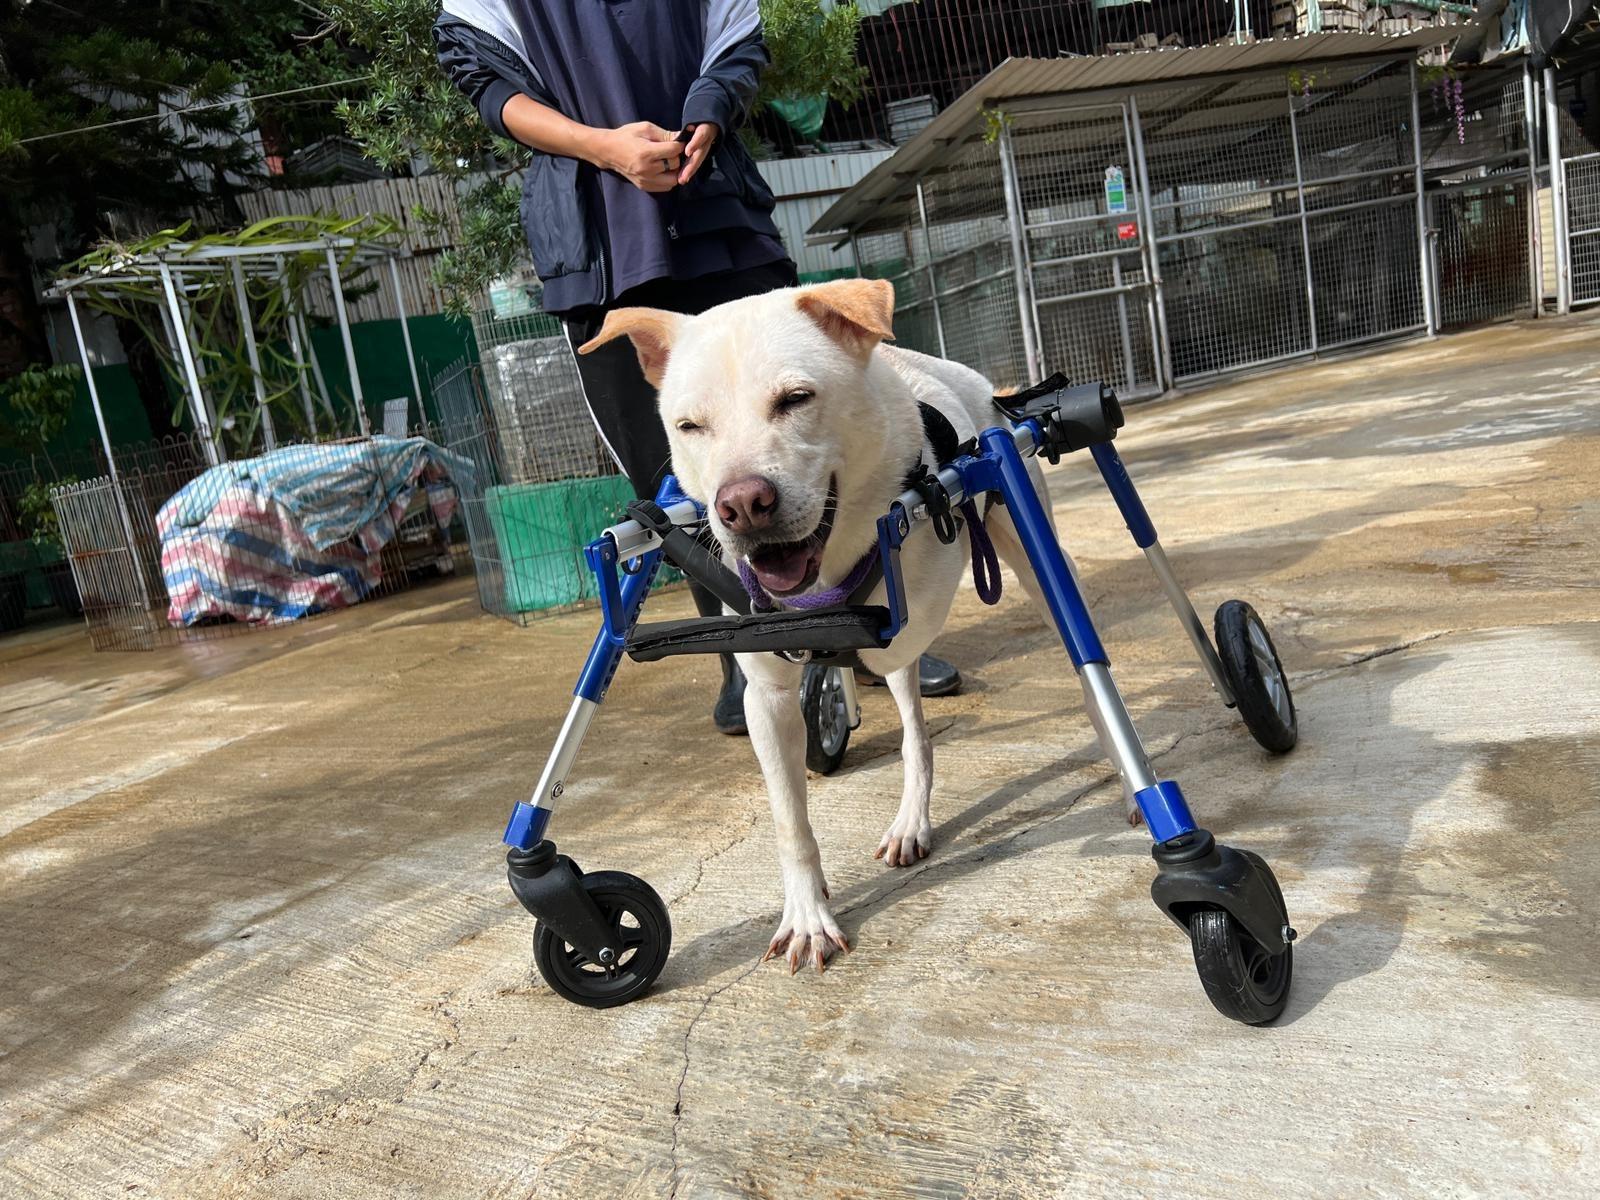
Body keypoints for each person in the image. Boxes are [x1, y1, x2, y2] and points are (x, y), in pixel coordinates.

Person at [433, 0, 961, 733]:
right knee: (678, 479)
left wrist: (705, 120)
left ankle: (884, 632)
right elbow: (487, 84)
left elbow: (739, 42)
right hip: (602, 246)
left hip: (718, 217)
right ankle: (744, 657)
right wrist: (602, 147)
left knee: (822, 431)